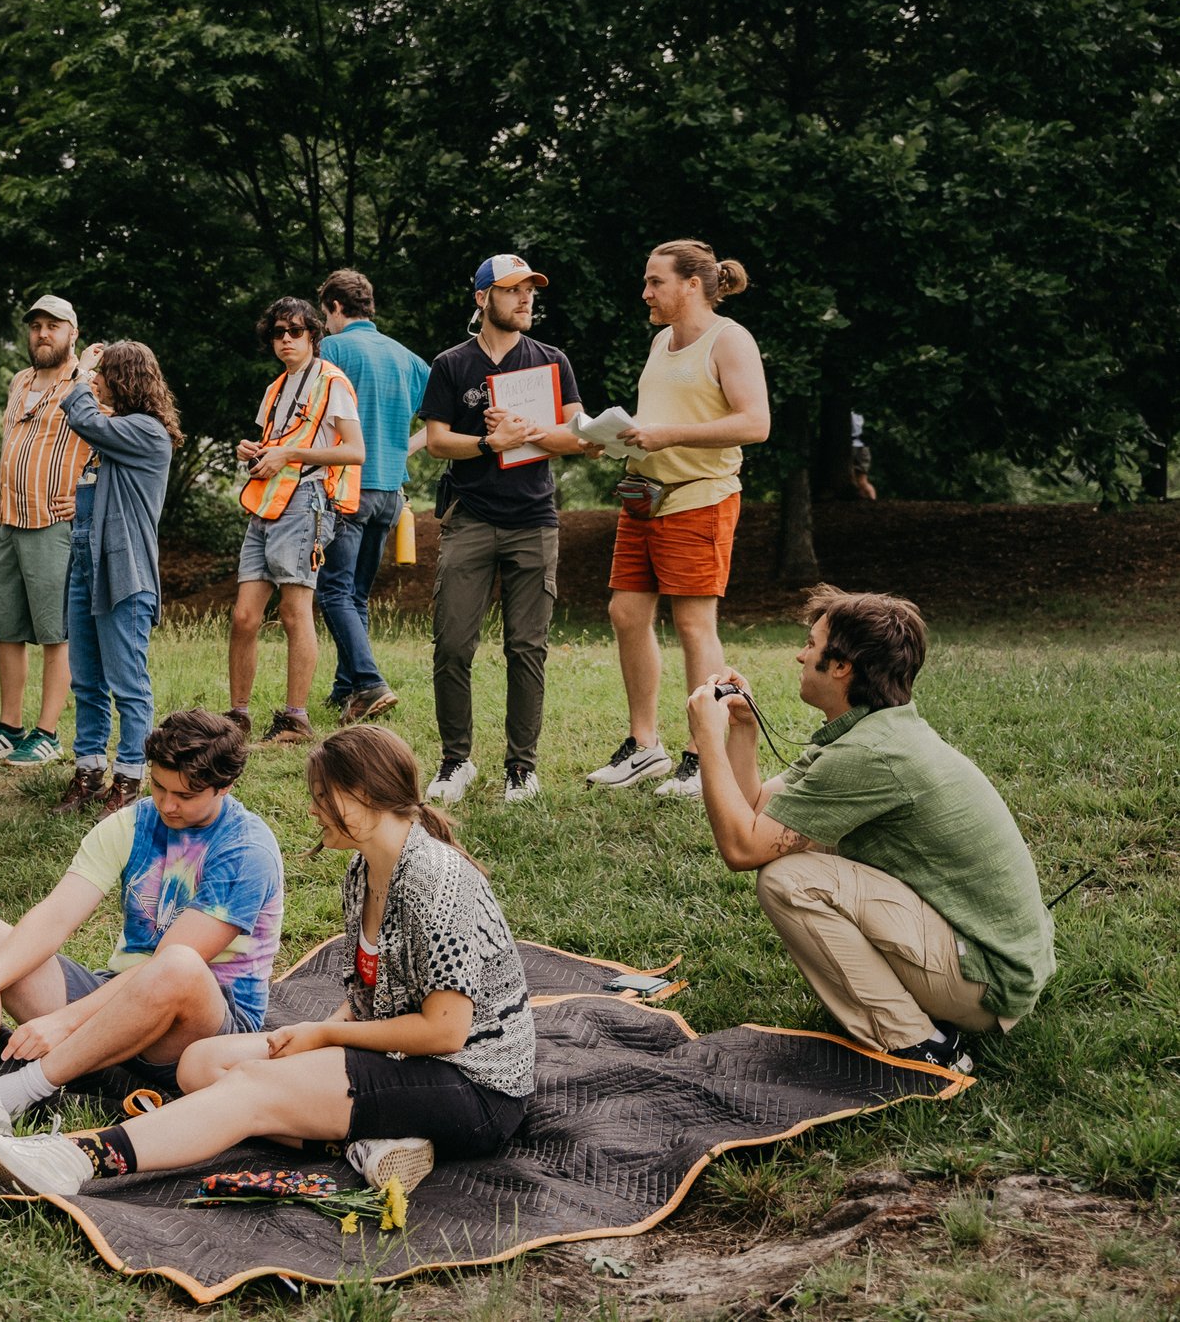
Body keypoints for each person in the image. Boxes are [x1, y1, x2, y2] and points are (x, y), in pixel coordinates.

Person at [0, 726, 535, 1202]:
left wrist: (325, 1036)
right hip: (400, 1056)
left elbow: (449, 1030)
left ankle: (70, 1158)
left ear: (363, 797)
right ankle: (364, 1139)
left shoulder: (435, 879)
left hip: (474, 1083)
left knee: (254, 1085)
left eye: (321, 798)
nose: (310, 811)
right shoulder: (364, 872)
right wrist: (325, 1040)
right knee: (202, 1064)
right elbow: (368, 992)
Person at [687, 588, 1053, 1072]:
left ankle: (920, 1045)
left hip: (989, 984)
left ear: (841, 666)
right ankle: (918, 1021)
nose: (800, 653)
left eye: (811, 644)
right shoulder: (873, 732)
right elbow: (757, 809)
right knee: (800, 860)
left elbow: (742, 847)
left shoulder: (870, 755)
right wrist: (742, 730)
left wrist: (705, 743)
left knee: (788, 879)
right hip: (997, 965)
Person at [0, 710, 285, 1138]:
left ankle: (14, 1093)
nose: (166, 804)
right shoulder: (135, 821)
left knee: (177, 965)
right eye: (158, 786)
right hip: (117, 996)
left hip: (201, 1031)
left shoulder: (246, 849)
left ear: (226, 787)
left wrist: (67, 1022)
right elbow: (56, 915)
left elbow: (170, 963)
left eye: (185, 795)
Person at [588, 241, 772, 798]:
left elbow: (754, 423)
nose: (645, 292)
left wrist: (665, 436)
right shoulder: (659, 341)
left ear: (692, 284)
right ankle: (645, 748)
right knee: (625, 612)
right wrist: (621, 438)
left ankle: (703, 753)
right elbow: (660, 416)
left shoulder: (730, 339)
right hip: (645, 495)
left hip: (701, 498)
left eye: (655, 282)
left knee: (694, 625)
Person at [420, 255, 588, 806]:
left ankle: (522, 768)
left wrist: (528, 431)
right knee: (452, 645)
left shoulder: (551, 360)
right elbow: (439, 441)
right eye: (512, 290)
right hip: (470, 518)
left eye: (530, 291)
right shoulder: (452, 364)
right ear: (482, 299)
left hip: (534, 521)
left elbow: (578, 437)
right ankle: (455, 762)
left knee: (527, 648)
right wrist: (490, 443)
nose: (525, 299)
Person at [0, 296, 91, 768]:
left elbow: (114, 443)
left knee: (57, 631)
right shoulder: (20, 381)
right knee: (7, 626)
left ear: (72, 332)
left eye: (53, 326)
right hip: (10, 519)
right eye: (36, 326)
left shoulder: (89, 380)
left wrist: (86, 496)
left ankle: (48, 732)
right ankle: (10, 725)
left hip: (53, 522)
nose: (42, 333)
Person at [229, 297, 365, 748]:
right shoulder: (275, 388)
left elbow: (354, 451)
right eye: (278, 332)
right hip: (266, 502)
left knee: (293, 611)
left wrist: (289, 454)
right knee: (245, 616)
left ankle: (296, 719)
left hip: (307, 501)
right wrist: (253, 450)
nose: (285, 339)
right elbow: (274, 444)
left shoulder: (332, 382)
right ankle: (238, 716)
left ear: (313, 335)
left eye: (295, 331)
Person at [54, 341, 180, 815]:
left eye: (104, 372)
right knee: (85, 680)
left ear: (122, 378)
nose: (98, 379)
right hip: (87, 570)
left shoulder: (148, 431)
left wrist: (78, 372)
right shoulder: (117, 435)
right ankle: (87, 772)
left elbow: (84, 419)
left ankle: (129, 779)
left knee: (127, 682)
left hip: (124, 574)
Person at [315, 269, 434, 723]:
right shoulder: (405, 356)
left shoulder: (331, 350)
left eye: (324, 316)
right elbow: (440, 419)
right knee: (356, 594)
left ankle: (368, 682)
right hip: (390, 493)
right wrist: (406, 448)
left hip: (347, 488)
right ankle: (345, 688)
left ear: (336, 308)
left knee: (333, 592)